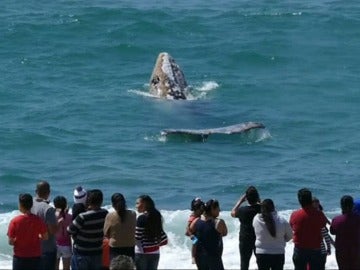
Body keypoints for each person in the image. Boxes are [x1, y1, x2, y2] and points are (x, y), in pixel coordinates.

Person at [68, 189, 108, 270]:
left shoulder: (82, 216)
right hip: (97, 251)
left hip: (81, 252)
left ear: (88, 200)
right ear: (101, 201)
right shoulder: (105, 213)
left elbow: (69, 230)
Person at [7, 193, 48, 270]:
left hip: (20, 258)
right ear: (31, 205)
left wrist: (20, 240)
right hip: (35, 258)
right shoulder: (38, 220)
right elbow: (45, 237)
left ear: (20, 205)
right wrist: (37, 238)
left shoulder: (15, 221)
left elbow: (10, 242)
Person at [290, 188, 327, 270]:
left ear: (299, 200)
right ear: (310, 200)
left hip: (300, 250)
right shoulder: (319, 214)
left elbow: (292, 227)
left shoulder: (294, 215)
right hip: (316, 249)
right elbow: (323, 225)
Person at [252, 199, 293, 270]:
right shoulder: (282, 220)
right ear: (274, 207)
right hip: (278, 253)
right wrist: (281, 239)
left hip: (261, 253)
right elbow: (290, 236)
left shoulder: (256, 219)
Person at [190, 199, 227, 270]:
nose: (219, 210)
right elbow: (225, 233)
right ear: (212, 209)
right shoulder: (219, 222)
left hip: (200, 256)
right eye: (218, 208)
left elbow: (190, 231)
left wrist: (195, 239)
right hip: (213, 256)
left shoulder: (196, 220)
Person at [231, 186, 261, 270]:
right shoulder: (261, 209)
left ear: (247, 198)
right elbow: (268, 210)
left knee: (244, 263)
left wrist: (240, 201)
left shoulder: (242, 210)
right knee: (261, 263)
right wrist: (260, 201)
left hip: (245, 239)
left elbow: (232, 213)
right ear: (257, 197)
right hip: (259, 238)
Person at [135, 195, 168, 270]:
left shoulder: (142, 218)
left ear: (144, 204)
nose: (136, 206)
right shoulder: (157, 215)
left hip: (141, 252)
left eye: (137, 203)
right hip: (155, 251)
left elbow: (137, 237)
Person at [31, 180, 58, 270]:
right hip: (47, 248)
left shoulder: (29, 204)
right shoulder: (48, 209)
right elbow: (53, 231)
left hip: (33, 248)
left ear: (36, 191)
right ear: (49, 192)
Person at [330, 195, 360, 270]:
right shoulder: (358, 219)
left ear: (341, 206)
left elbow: (332, 232)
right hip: (356, 250)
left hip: (342, 251)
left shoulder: (336, 220)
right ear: (352, 206)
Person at [104, 193, 137, 261]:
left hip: (115, 247)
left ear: (113, 205)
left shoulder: (110, 216)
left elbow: (106, 233)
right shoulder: (133, 214)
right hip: (130, 246)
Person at [312, 197, 333, 268]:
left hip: (322, 229)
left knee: (327, 237)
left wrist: (329, 224)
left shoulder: (319, 212)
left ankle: (335, 247)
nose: (316, 206)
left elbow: (325, 219)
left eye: (317, 204)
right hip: (318, 249)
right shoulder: (317, 212)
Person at [54, 196, 72, 270]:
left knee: (55, 268)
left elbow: (58, 213)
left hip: (55, 245)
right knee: (66, 268)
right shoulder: (70, 216)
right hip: (66, 245)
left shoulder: (54, 216)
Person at [185, 197, 204, 264]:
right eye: (199, 209)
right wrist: (191, 234)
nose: (201, 210)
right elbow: (187, 227)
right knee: (195, 243)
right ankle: (193, 257)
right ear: (195, 209)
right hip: (194, 233)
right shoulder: (193, 217)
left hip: (198, 231)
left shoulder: (200, 214)